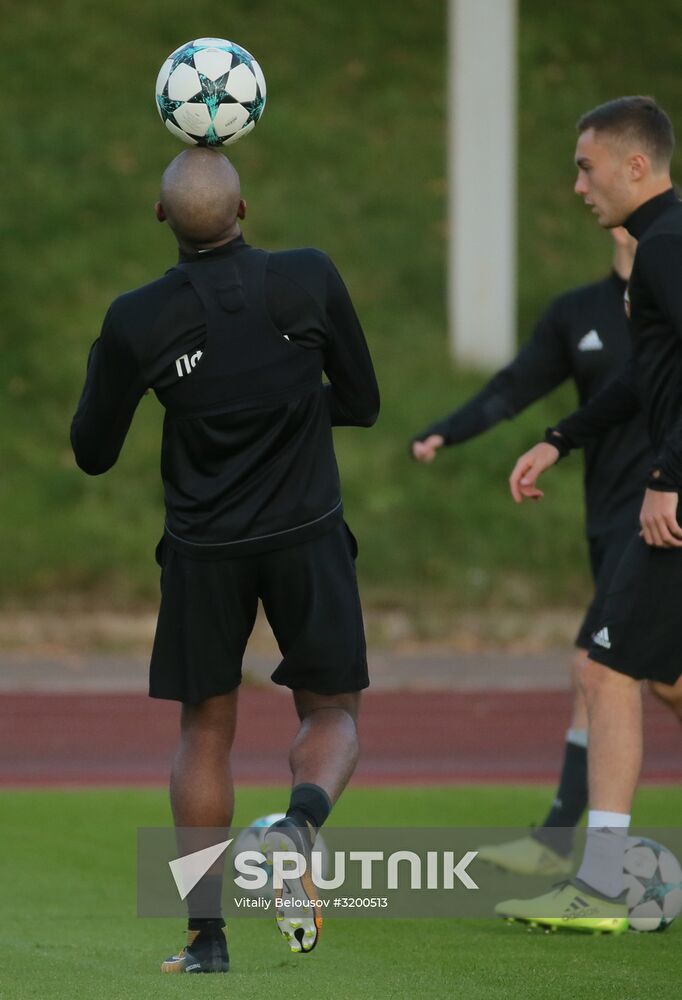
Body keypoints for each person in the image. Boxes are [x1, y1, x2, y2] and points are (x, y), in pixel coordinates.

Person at [71, 148, 379, 970]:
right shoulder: (309, 277)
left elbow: (91, 452)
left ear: (162, 216)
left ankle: (207, 941)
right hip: (309, 536)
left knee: (205, 730)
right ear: (245, 211)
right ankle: (297, 827)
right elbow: (362, 400)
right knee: (332, 712)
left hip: (204, 553)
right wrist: (284, 400)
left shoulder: (137, 317)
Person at [411, 227, 665, 875]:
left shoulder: (669, 308)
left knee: (599, 664)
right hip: (609, 525)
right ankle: (561, 843)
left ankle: (562, 843)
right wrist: (449, 429)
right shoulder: (578, 313)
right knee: (639, 673)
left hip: (660, 524)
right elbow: (513, 388)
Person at [498, 95, 682, 933]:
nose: (577, 184)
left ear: (636, 167)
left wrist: (669, 476)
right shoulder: (661, 249)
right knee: (662, 677)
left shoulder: (668, 249)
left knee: (606, 670)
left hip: (675, 502)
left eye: (586, 165)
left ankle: (604, 886)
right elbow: (647, 380)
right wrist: (561, 438)